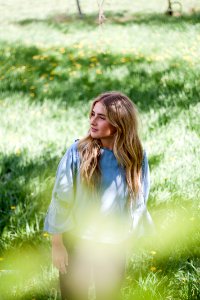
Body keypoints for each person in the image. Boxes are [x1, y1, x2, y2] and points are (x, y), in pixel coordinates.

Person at [44, 91, 153, 300]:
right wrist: (57, 245)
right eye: (92, 114)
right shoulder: (77, 152)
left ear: (119, 124)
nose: (92, 121)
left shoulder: (136, 156)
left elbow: (139, 199)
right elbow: (61, 199)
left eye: (101, 117)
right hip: (77, 243)